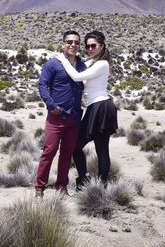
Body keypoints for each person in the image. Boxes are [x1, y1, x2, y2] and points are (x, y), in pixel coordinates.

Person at [57, 30, 117, 188]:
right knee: (77, 146)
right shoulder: (91, 63)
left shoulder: (102, 64)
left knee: (101, 148)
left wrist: (62, 59)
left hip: (101, 107)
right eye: (87, 46)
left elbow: (77, 77)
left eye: (93, 45)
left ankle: (101, 185)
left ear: (102, 46)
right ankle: (84, 179)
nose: (90, 49)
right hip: (95, 107)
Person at [34, 30, 86, 197]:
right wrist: (51, 105)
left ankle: (62, 187)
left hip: (75, 118)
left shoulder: (81, 65)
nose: (73, 45)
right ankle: (39, 188)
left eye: (76, 42)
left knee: (67, 154)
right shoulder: (53, 64)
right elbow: (43, 85)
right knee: (49, 151)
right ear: (62, 44)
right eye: (69, 42)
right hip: (56, 117)